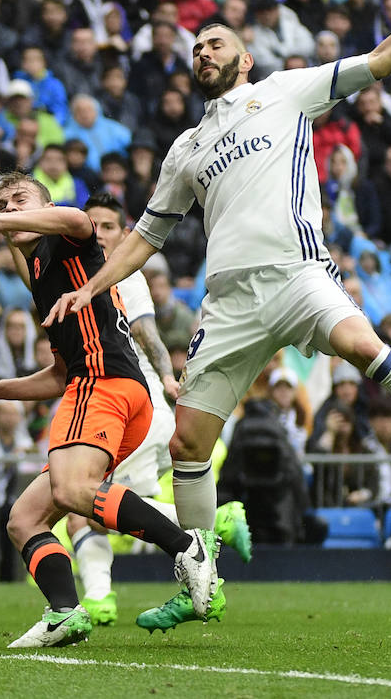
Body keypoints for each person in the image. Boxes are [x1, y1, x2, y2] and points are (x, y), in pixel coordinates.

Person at [43, 0, 391, 632]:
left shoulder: (287, 90)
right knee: (187, 443)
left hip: (297, 273)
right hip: (229, 303)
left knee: (365, 347)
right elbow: (144, 238)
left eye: (215, 42)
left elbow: (383, 57)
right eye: (195, 47)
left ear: (243, 59)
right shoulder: (185, 148)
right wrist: (91, 287)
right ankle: (198, 582)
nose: (202, 51)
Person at [0, 173, 221, 648]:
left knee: (73, 489)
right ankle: (65, 612)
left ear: (42, 204)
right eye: (0, 203)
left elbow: (75, 218)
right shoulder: (44, 275)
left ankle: (189, 548)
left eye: (18, 200)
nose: (8, 208)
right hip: (100, 389)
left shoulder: (67, 241)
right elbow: (59, 372)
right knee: (24, 519)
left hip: (104, 386)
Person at [64, 193, 251, 628]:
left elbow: (148, 334)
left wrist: (167, 378)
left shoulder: (121, 275)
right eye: (92, 226)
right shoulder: (86, 272)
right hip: (120, 405)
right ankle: (103, 598)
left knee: (95, 504)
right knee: (87, 506)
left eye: (108, 226)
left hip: (128, 407)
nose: (99, 233)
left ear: (125, 234)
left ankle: (216, 521)